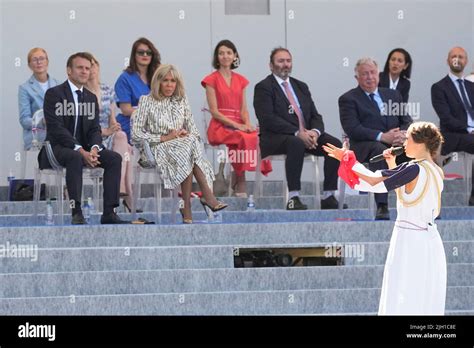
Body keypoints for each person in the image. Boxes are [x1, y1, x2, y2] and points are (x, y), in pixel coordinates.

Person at [323, 121, 447, 315]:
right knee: (422, 293)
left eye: (408, 139)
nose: (404, 143)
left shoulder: (412, 168)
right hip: (429, 240)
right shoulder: (436, 169)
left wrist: (347, 159)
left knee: (403, 292)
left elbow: (374, 182)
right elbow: (408, 194)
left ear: (420, 143)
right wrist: (392, 164)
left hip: (410, 239)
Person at [38, 52, 128, 225]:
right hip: (57, 148)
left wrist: (94, 148)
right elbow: (56, 129)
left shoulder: (90, 98)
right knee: (75, 156)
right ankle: (76, 212)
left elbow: (94, 129)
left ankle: (109, 213)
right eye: (80, 67)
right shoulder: (54, 94)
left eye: (88, 68)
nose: (84, 71)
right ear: (69, 71)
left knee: (114, 159)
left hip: (86, 149)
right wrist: (80, 150)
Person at [132, 64, 227, 224]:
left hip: (182, 148)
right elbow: (136, 134)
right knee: (187, 147)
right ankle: (206, 197)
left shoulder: (181, 100)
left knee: (189, 143)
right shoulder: (146, 101)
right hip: (155, 149)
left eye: (173, 81)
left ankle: (188, 206)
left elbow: (194, 131)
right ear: (158, 82)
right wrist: (165, 137)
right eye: (165, 80)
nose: (169, 85)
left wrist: (186, 135)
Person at [253, 47, 345, 210]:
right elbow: (268, 119)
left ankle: (329, 196)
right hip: (276, 138)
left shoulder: (301, 86)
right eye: (280, 61)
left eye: (288, 61)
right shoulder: (264, 87)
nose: (285, 64)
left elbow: (316, 116)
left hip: (306, 136)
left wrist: (314, 132)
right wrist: (298, 133)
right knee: (295, 143)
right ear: (271, 65)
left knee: (335, 144)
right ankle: (293, 197)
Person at [339, 57, 412, 220]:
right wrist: (382, 136)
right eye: (364, 74)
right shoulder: (348, 99)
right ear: (357, 78)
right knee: (381, 150)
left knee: (416, 150)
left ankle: (417, 202)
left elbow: (406, 120)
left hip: (395, 144)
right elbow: (353, 129)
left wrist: (402, 134)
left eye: (372, 73)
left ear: (378, 75)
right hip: (363, 146)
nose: (370, 77)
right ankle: (382, 205)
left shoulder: (393, 95)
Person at [201, 40, 272, 197]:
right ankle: (241, 180)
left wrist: (247, 124)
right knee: (241, 137)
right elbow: (214, 112)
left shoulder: (241, 80)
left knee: (256, 136)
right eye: (221, 53)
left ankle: (237, 176)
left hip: (238, 124)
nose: (225, 56)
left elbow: (243, 109)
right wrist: (238, 126)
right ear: (217, 57)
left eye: (228, 53)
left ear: (235, 56)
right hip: (219, 126)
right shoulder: (210, 80)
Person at [85, 53, 137, 212]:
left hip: (109, 137)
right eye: (88, 66)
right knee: (125, 148)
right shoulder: (80, 94)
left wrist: (114, 127)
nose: (91, 69)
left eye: (94, 65)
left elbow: (112, 118)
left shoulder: (107, 90)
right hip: (91, 139)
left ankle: (122, 189)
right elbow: (83, 126)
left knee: (122, 136)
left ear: (98, 67)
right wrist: (107, 131)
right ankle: (127, 194)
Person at [431, 46, 474, 205]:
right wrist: (469, 129)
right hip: (451, 135)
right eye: (454, 56)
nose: (457, 59)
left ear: (466, 61)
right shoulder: (439, 87)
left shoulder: (472, 87)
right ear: (448, 60)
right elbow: (446, 118)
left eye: (461, 56)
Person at [115, 37, 160, 143]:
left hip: (156, 123)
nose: (145, 55)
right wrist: (151, 114)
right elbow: (126, 110)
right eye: (141, 52)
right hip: (132, 123)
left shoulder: (157, 77)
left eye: (148, 53)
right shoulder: (125, 78)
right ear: (134, 55)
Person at [18, 47, 59, 150]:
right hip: (37, 138)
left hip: (58, 135)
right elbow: (24, 120)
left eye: (42, 58)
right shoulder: (25, 88)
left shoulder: (58, 84)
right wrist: (41, 121)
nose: (39, 62)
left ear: (47, 62)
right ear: (29, 65)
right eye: (35, 59)